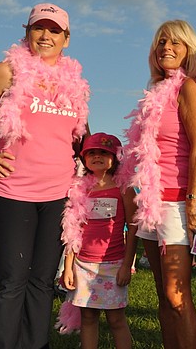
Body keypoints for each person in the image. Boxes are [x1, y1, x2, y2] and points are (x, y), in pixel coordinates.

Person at [0, 3, 89, 348]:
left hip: (58, 195)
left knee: (43, 281)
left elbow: (79, 139)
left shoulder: (76, 84)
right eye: (38, 28)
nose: (45, 36)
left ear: (66, 38)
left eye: (54, 30)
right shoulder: (7, 72)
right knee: (11, 280)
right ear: (27, 32)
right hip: (11, 192)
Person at [120, 19, 196, 348]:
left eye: (175, 42)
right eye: (161, 42)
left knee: (177, 295)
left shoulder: (190, 87)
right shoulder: (157, 90)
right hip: (151, 203)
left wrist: (191, 202)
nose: (166, 48)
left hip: (178, 202)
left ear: (189, 49)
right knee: (162, 294)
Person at [59, 133, 138, 349]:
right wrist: (68, 267)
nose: (97, 156)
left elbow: (133, 227)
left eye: (104, 152)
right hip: (83, 265)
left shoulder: (124, 188)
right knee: (88, 318)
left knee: (116, 320)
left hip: (113, 264)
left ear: (116, 157)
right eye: (91, 152)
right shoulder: (80, 189)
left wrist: (127, 264)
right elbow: (72, 230)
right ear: (84, 158)